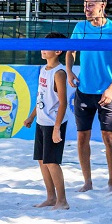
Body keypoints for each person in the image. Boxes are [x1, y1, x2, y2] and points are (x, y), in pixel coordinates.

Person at [65, 0, 112, 194]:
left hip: (108, 93)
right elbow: (70, 51)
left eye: (90, 5)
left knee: (108, 137)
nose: (86, 9)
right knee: (82, 137)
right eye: (85, 5)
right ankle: (88, 182)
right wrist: (69, 71)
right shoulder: (80, 27)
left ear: (102, 6)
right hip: (84, 90)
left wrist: (111, 89)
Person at [22, 32, 70, 210]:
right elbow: (41, 97)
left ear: (58, 50)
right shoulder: (43, 69)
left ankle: (62, 200)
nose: (42, 48)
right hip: (42, 121)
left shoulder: (59, 73)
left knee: (52, 162)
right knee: (42, 160)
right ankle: (51, 197)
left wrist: (57, 128)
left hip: (53, 123)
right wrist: (31, 116)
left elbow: (63, 103)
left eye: (46, 46)